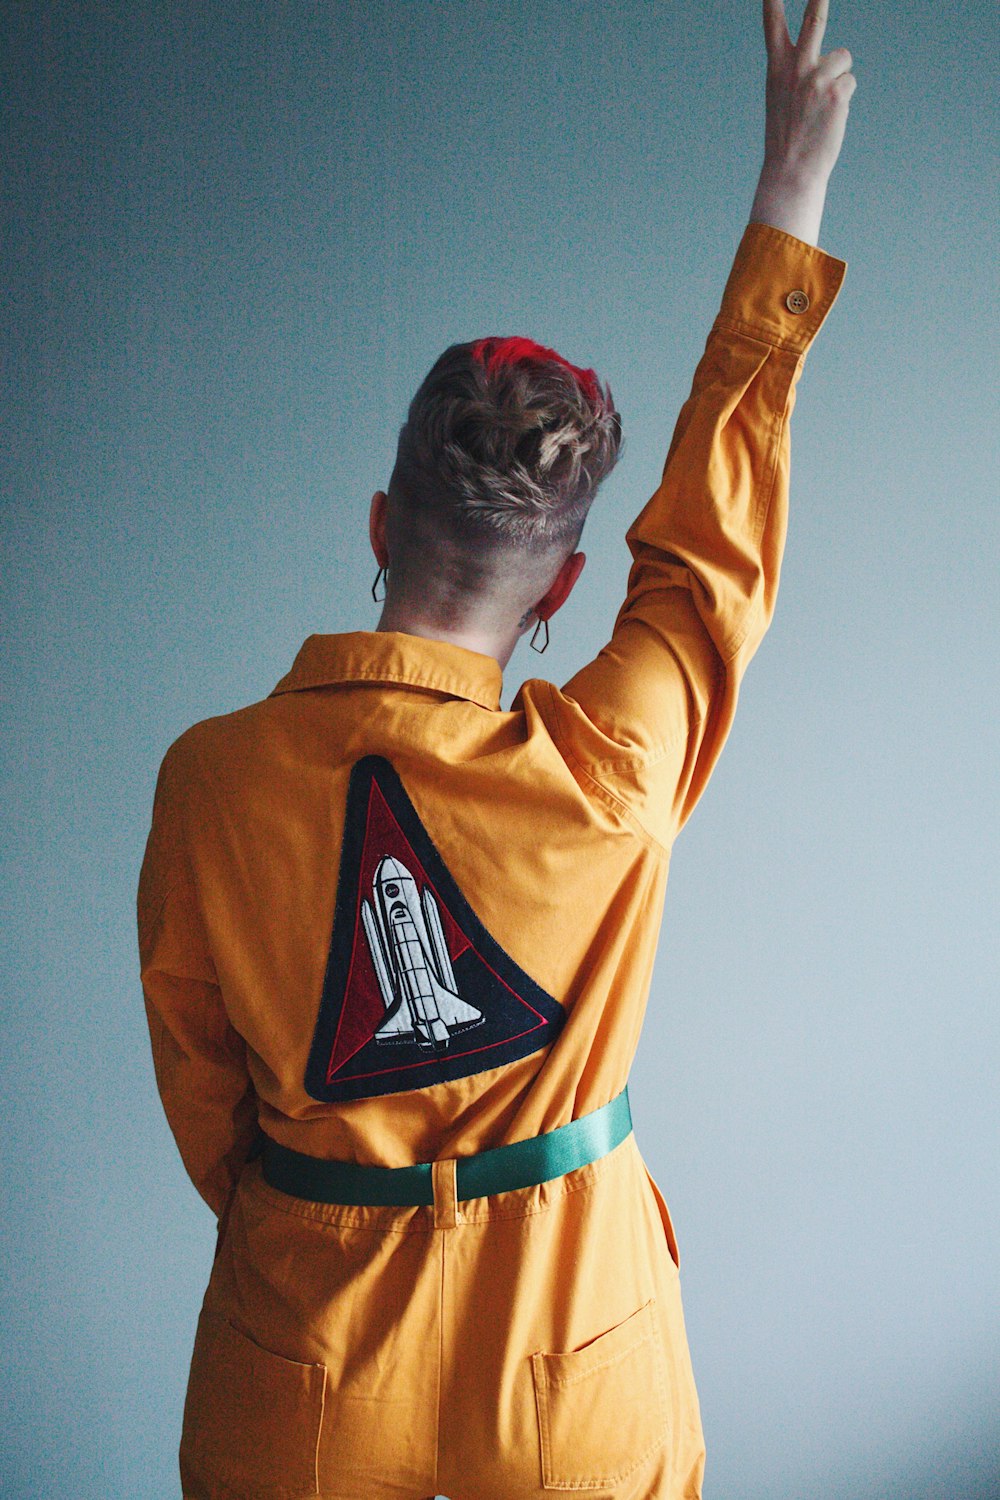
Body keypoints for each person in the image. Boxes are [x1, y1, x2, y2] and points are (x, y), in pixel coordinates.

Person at [137, 2, 856, 1495]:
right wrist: (788, 196)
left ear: (384, 526)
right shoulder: (615, 765)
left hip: (308, 1374)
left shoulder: (210, 781)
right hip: (573, 1365)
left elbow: (210, 1106)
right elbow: (713, 559)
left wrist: (331, 1202)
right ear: (564, 586)